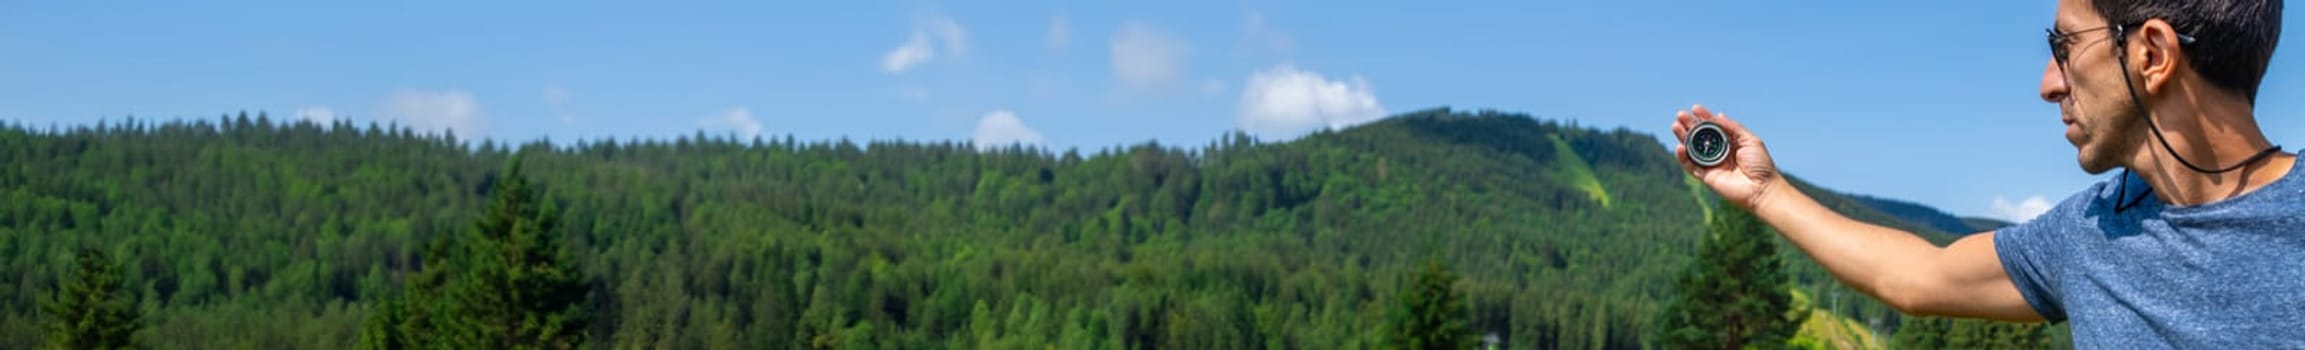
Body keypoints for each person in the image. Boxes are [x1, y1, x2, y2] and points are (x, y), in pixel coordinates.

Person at [1669, 0, 2300, 347]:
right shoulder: (2088, 232)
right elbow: (1917, 275)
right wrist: (1765, 192)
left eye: (2064, 47)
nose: (2049, 85)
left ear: (2152, 54)